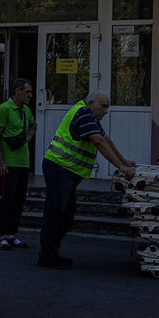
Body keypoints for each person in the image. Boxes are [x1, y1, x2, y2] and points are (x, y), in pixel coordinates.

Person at [38, 91, 137, 268]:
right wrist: (121, 167)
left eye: (107, 107)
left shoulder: (89, 115)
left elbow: (105, 139)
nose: (106, 111)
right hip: (60, 167)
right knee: (56, 213)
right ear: (90, 103)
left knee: (66, 216)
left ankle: (51, 253)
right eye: (103, 107)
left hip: (66, 169)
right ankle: (47, 256)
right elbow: (98, 141)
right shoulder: (83, 112)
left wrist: (124, 161)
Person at [0, 79, 36, 249]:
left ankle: (11, 233)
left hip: (23, 162)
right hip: (9, 163)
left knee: (19, 200)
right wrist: (0, 161)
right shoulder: (4, 109)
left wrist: (27, 138)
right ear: (17, 91)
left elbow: (33, 125)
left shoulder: (25, 110)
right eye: (27, 92)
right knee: (7, 200)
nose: (30, 96)